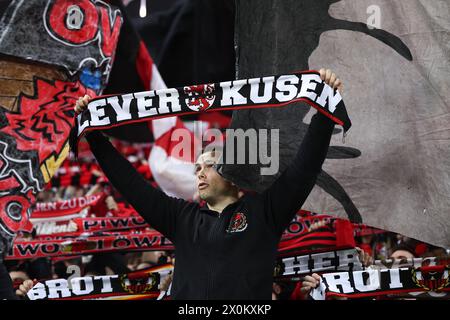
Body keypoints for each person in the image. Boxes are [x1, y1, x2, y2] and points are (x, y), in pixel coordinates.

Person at [74, 68, 343, 299]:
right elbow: (130, 183)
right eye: (197, 168)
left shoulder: (266, 212)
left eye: (209, 165)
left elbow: (304, 170)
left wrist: (323, 109)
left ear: (232, 173)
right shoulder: (181, 218)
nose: (200, 173)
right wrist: (94, 134)